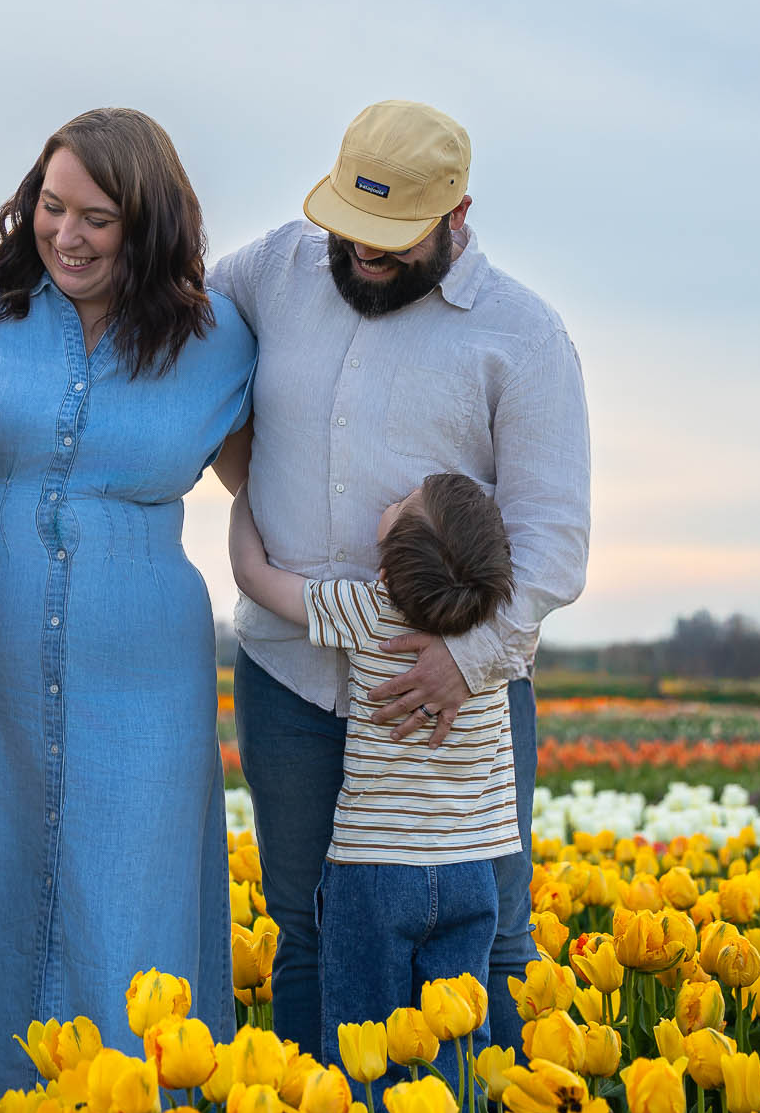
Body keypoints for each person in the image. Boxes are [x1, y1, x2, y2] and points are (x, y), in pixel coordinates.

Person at [209, 99, 591, 1062]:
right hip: (290, 675)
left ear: (458, 215)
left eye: (391, 240)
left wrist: (465, 663)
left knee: (494, 929)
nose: (361, 256)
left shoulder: (525, 335)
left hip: (458, 702)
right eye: (350, 231)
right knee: (305, 925)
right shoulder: (277, 266)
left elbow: (555, 542)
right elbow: (176, 318)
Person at [0, 107, 256, 1090]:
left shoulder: (221, 343)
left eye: (96, 218)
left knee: (137, 898)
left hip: (146, 680)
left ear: (149, 227)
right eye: (49, 206)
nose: (64, 235)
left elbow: (270, 487)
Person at [230, 470, 518, 1113]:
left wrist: (249, 497)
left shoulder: (364, 610)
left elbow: (252, 576)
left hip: (373, 875)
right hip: (469, 872)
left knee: (361, 1050)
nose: (393, 495)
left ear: (388, 566)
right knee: (454, 1044)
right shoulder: (496, 642)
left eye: (402, 505)